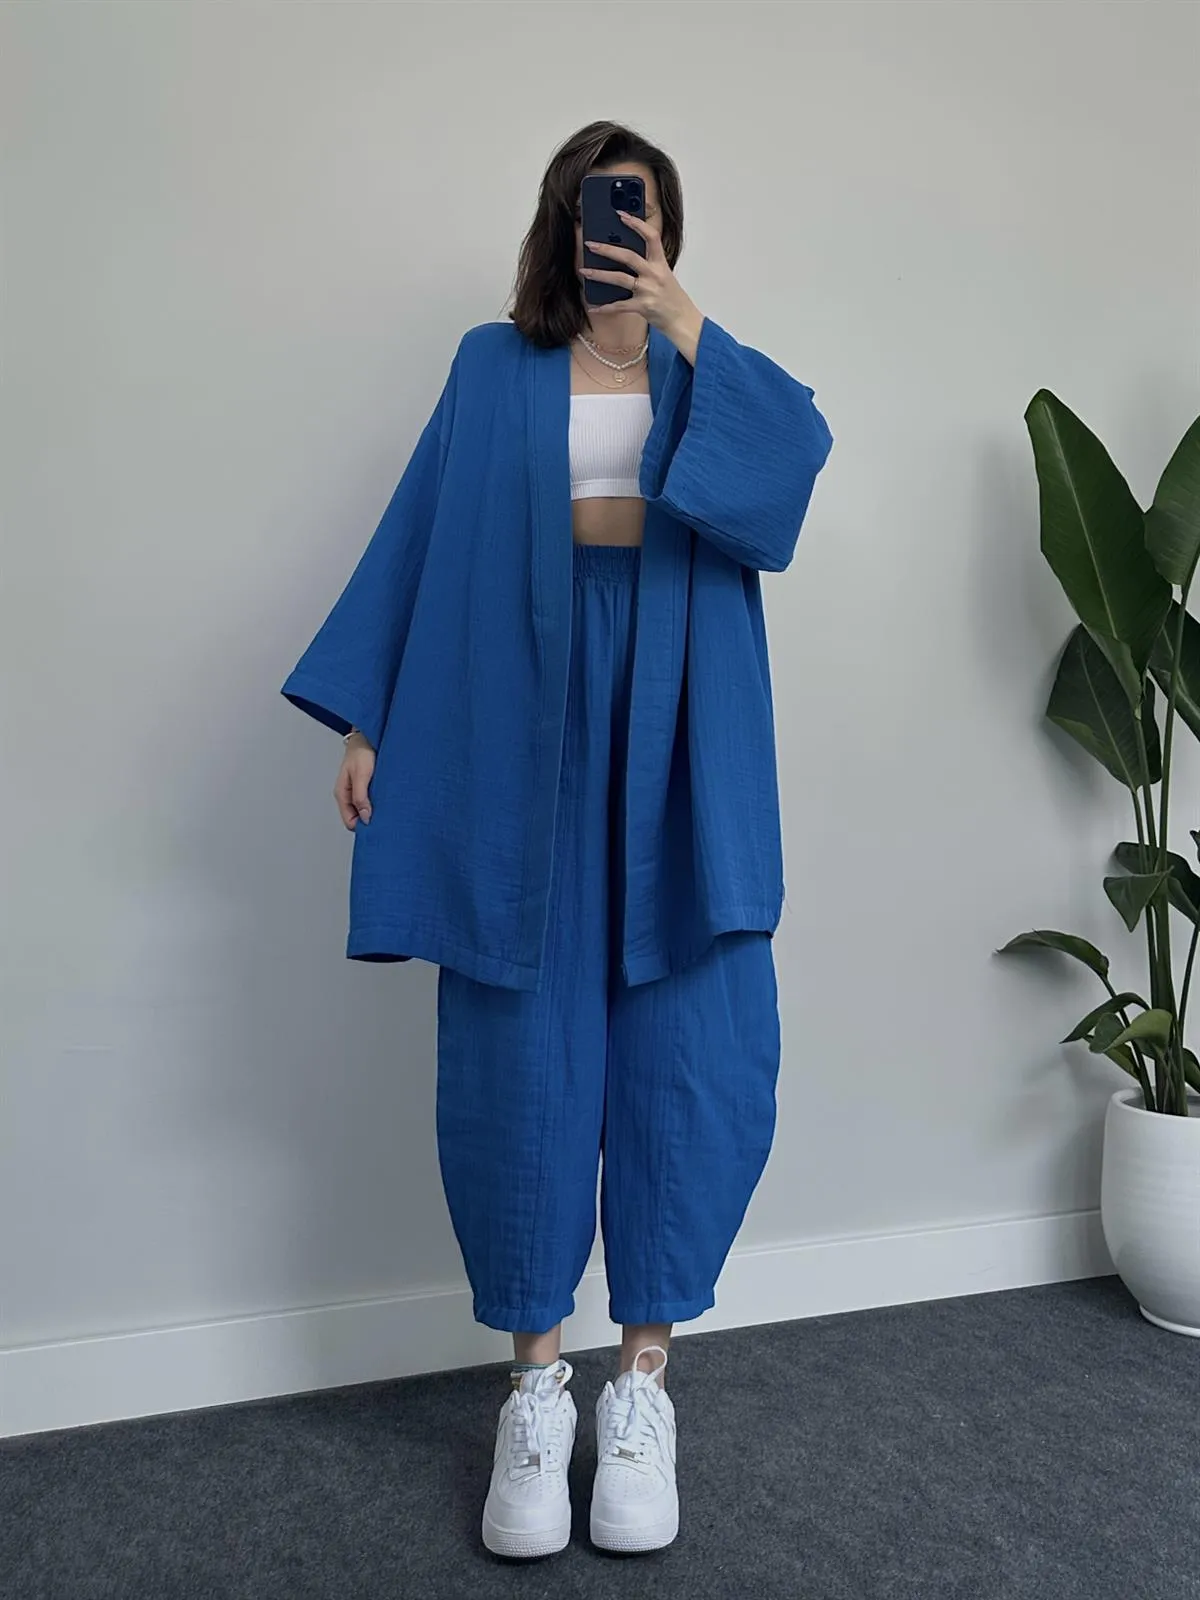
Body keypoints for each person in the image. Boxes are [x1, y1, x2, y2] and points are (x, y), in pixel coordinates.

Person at [281, 119, 832, 1560]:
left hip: (682, 719)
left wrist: (684, 318)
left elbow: (789, 477)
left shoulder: (705, 371)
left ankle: (641, 1391)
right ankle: (536, 1392)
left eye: (643, 216)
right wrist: (369, 719)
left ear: (667, 229)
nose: (621, 236)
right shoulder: (494, 366)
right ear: (559, 224)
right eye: (601, 213)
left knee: (691, 1041)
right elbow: (418, 537)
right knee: (516, 1045)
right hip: (516, 716)